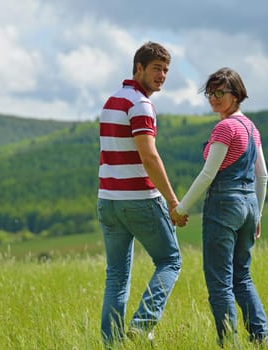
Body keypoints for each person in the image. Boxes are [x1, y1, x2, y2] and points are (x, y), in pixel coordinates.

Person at [171, 67, 268, 346]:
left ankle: (229, 343)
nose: (213, 98)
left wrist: (181, 208)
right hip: (249, 205)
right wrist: (258, 214)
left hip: (224, 205)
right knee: (243, 278)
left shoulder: (225, 128)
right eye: (210, 93)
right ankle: (262, 339)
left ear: (236, 94)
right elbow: (262, 175)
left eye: (220, 92)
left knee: (220, 284)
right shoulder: (252, 128)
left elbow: (207, 174)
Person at [97, 41, 185, 346]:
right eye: (156, 69)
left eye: (166, 70)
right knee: (170, 260)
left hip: (108, 202)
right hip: (139, 201)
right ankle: (141, 323)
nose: (162, 75)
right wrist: (174, 202)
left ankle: (112, 344)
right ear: (139, 69)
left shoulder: (111, 102)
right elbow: (149, 157)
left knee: (116, 276)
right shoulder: (141, 104)